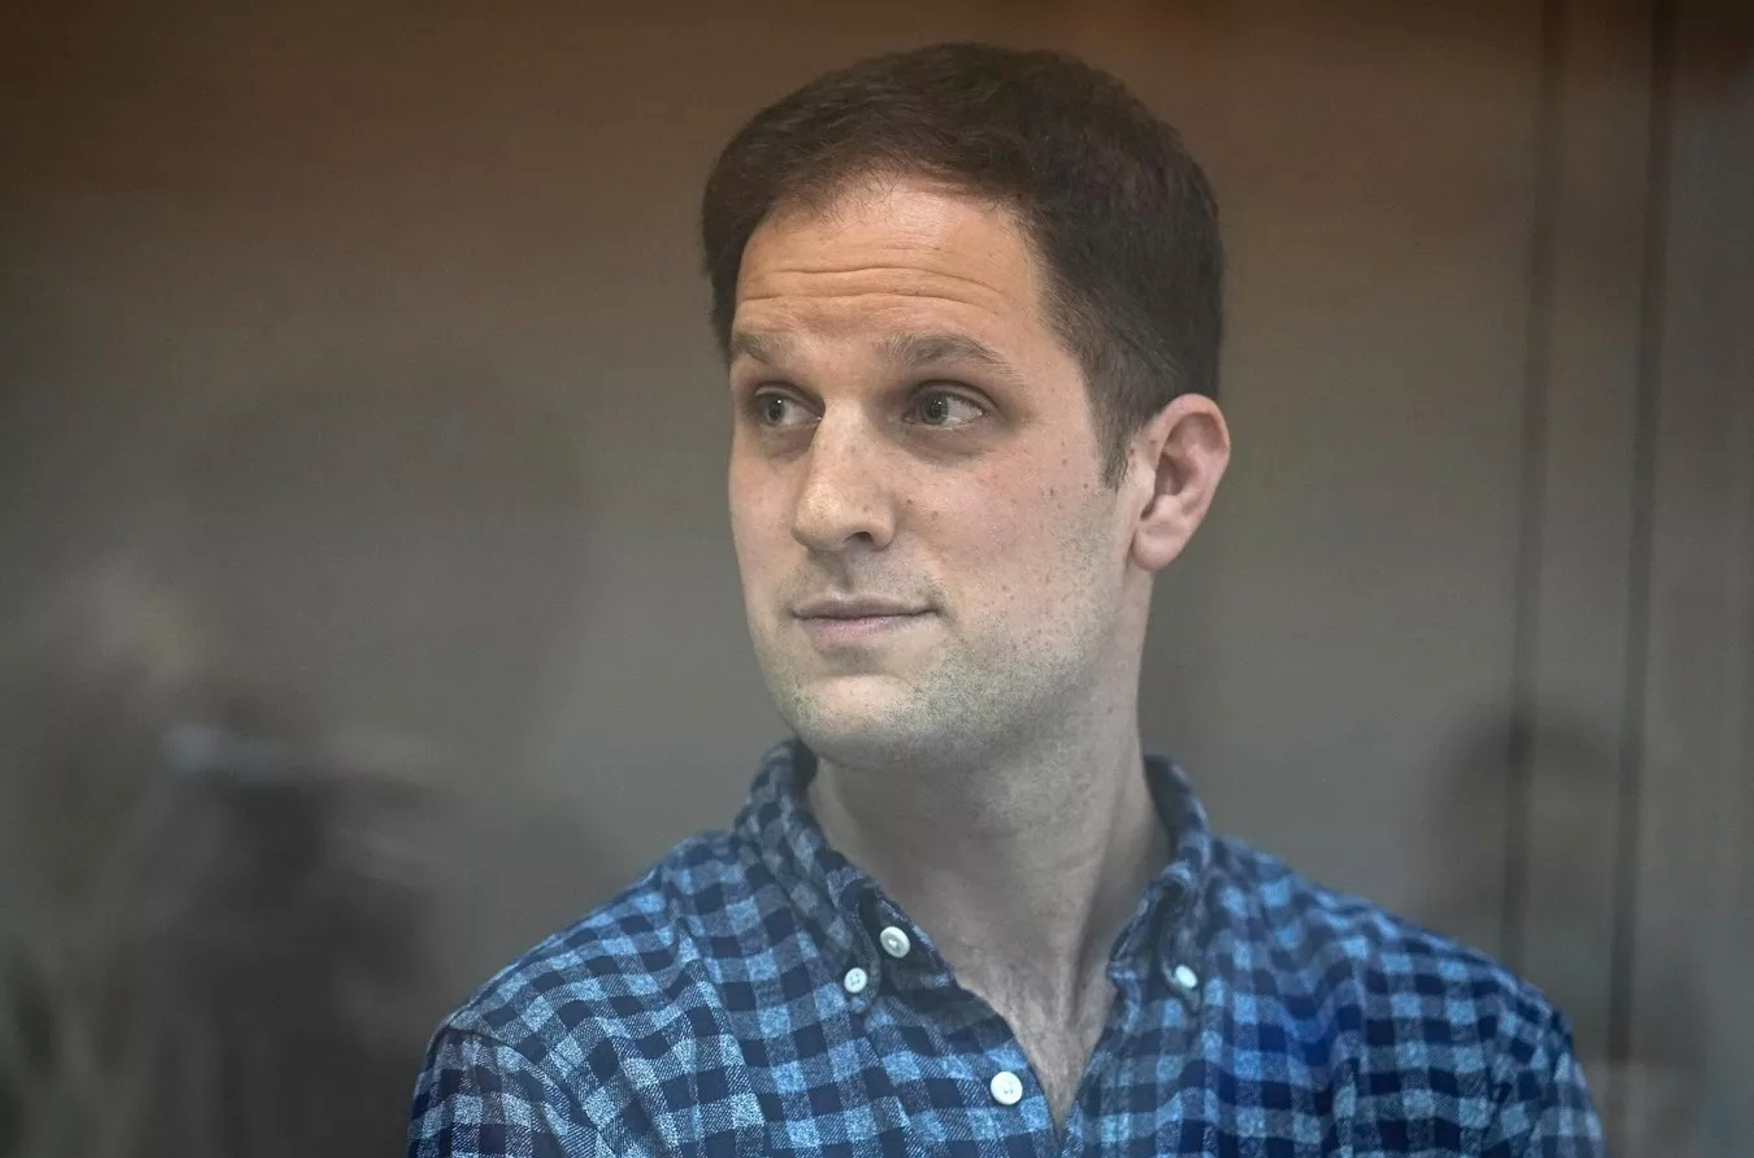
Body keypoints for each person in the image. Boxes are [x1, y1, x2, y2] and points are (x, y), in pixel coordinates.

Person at [408, 42, 1602, 1156]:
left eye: (938, 404)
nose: (825, 506)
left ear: (1164, 482)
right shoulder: (574, 1082)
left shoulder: (1451, 1069)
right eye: (777, 405)